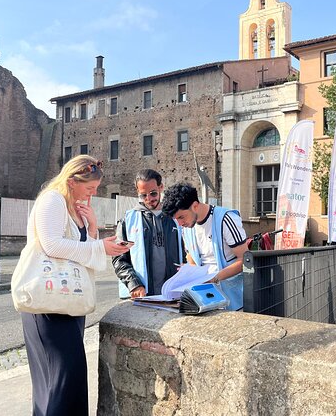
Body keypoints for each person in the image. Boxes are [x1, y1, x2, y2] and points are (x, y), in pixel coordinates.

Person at [19, 155, 131, 416]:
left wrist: (92, 228)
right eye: (90, 188)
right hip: (48, 305)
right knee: (61, 380)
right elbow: (52, 245)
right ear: (71, 181)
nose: (92, 194)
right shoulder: (52, 200)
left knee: (66, 380)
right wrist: (99, 246)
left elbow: (81, 251)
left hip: (67, 301)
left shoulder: (70, 206)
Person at [161, 182, 248, 310]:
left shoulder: (226, 218)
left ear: (195, 206)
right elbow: (191, 255)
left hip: (233, 300)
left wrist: (215, 278)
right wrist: (187, 272)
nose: (179, 223)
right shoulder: (187, 227)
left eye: (181, 217)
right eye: (176, 219)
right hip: (203, 299)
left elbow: (245, 260)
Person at [113, 169, 183, 298]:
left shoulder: (176, 218)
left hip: (174, 292)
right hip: (142, 294)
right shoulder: (128, 220)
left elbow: (189, 254)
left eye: (153, 193)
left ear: (161, 187)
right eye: (143, 195)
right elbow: (119, 258)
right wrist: (134, 284)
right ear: (137, 192)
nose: (148, 199)